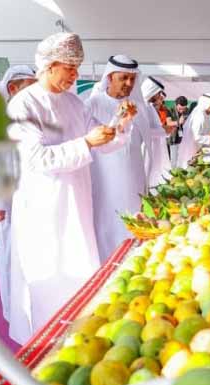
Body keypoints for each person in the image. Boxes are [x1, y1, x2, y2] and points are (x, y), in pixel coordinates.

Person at [4, 33, 134, 345]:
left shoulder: (75, 103)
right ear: (48, 66)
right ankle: (41, 348)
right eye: (69, 68)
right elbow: (36, 159)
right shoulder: (25, 104)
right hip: (43, 208)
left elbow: (101, 144)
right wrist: (85, 143)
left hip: (77, 205)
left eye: (77, 68)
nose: (75, 75)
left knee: (79, 276)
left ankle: (76, 339)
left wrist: (121, 124)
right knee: (46, 276)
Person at [0, 64, 37, 321]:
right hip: (6, 201)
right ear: (12, 88)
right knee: (9, 255)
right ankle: (11, 311)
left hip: (32, 198)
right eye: (29, 86)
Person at [84, 54, 145, 261]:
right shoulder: (93, 103)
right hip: (105, 180)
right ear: (110, 77)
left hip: (135, 178)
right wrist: (119, 119)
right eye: (123, 78)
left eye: (132, 79)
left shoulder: (139, 105)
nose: (129, 84)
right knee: (108, 223)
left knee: (135, 223)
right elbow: (97, 141)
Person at [140, 76, 174, 188]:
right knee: (144, 178)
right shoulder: (141, 106)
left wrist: (165, 130)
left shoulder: (149, 107)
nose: (160, 96)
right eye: (158, 93)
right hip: (145, 150)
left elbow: (155, 127)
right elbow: (142, 131)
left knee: (152, 177)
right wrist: (164, 131)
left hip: (154, 149)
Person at [176, 93, 210, 169]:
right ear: (206, 103)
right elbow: (196, 137)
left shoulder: (208, 113)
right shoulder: (199, 115)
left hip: (201, 148)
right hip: (191, 149)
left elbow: (205, 132)